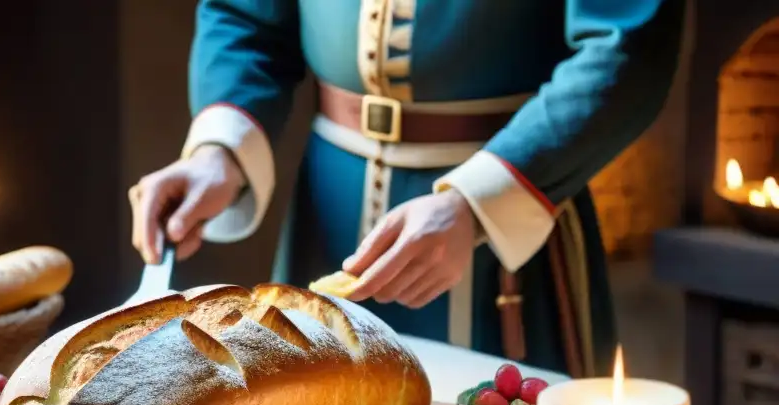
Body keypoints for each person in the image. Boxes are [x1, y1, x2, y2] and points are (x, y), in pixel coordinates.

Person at [128, 0, 686, 377]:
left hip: (503, 237)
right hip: (327, 205)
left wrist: (474, 202)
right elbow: (244, 15)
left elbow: (626, 46)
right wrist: (218, 152)